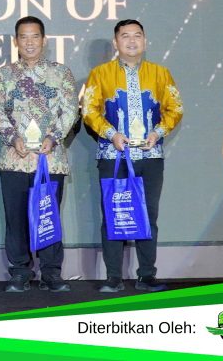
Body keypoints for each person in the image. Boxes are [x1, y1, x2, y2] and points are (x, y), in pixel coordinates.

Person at [82, 19, 183, 293]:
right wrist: (111, 134)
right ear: (115, 42)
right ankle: (113, 277)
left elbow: (175, 108)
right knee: (114, 214)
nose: (131, 41)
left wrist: (158, 132)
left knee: (148, 215)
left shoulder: (160, 73)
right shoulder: (100, 74)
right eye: (125, 36)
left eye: (137, 35)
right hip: (113, 156)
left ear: (145, 41)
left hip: (150, 157)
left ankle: (147, 275)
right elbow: (89, 110)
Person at [0, 16, 78, 293]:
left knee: (48, 216)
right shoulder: (4, 75)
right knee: (16, 219)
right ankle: (19, 272)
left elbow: (70, 110)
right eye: (23, 37)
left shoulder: (61, 74)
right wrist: (13, 137)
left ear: (44, 40)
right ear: (16, 42)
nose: (29, 42)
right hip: (14, 159)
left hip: (50, 159)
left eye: (34, 36)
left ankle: (51, 272)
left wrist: (53, 137)